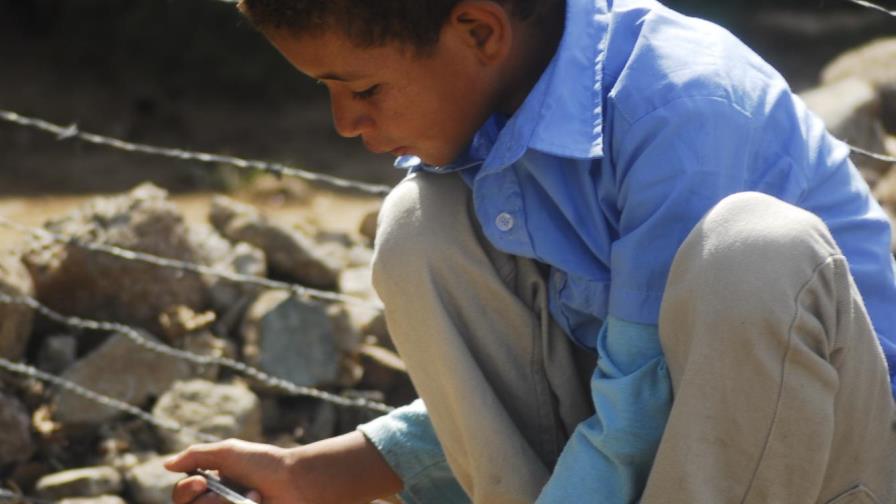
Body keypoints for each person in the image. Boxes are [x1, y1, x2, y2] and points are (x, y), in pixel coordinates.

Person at [164, 0, 896, 502]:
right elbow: (575, 389)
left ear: (481, 30)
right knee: (423, 224)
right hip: (678, 461)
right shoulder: (501, 130)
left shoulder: (681, 100)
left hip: (837, 470)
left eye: (361, 86)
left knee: (755, 254)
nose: (346, 121)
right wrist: (309, 475)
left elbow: (642, 398)